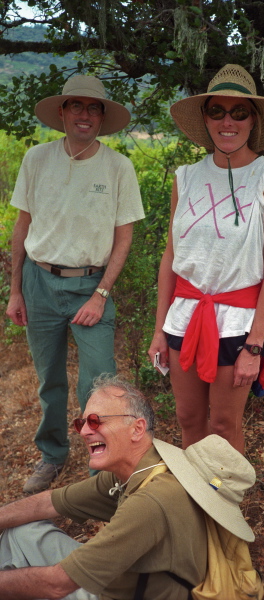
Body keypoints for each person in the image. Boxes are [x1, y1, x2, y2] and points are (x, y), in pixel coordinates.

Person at [5, 75, 145, 494]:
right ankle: (52, 455)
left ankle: (99, 471)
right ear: (63, 112)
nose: (84, 115)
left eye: (94, 108)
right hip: (39, 282)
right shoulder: (37, 159)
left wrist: (101, 294)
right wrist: (16, 290)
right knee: (49, 380)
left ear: (102, 116)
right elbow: (22, 227)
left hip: (90, 287)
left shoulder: (118, 167)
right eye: (77, 107)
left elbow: (124, 237)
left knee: (99, 385)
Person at [0, 374, 257, 600]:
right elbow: (48, 502)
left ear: (137, 429)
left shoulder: (152, 502)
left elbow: (57, 584)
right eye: (82, 423)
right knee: (20, 532)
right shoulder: (139, 469)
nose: (84, 431)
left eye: (95, 421)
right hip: (128, 583)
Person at [148, 64, 264, 453]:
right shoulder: (186, 177)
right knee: (188, 419)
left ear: (253, 119)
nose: (228, 121)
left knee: (225, 425)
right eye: (218, 111)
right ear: (206, 118)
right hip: (184, 316)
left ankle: (226, 508)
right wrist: (160, 328)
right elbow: (171, 257)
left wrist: (254, 345)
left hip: (237, 325)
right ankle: (196, 508)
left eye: (239, 112)